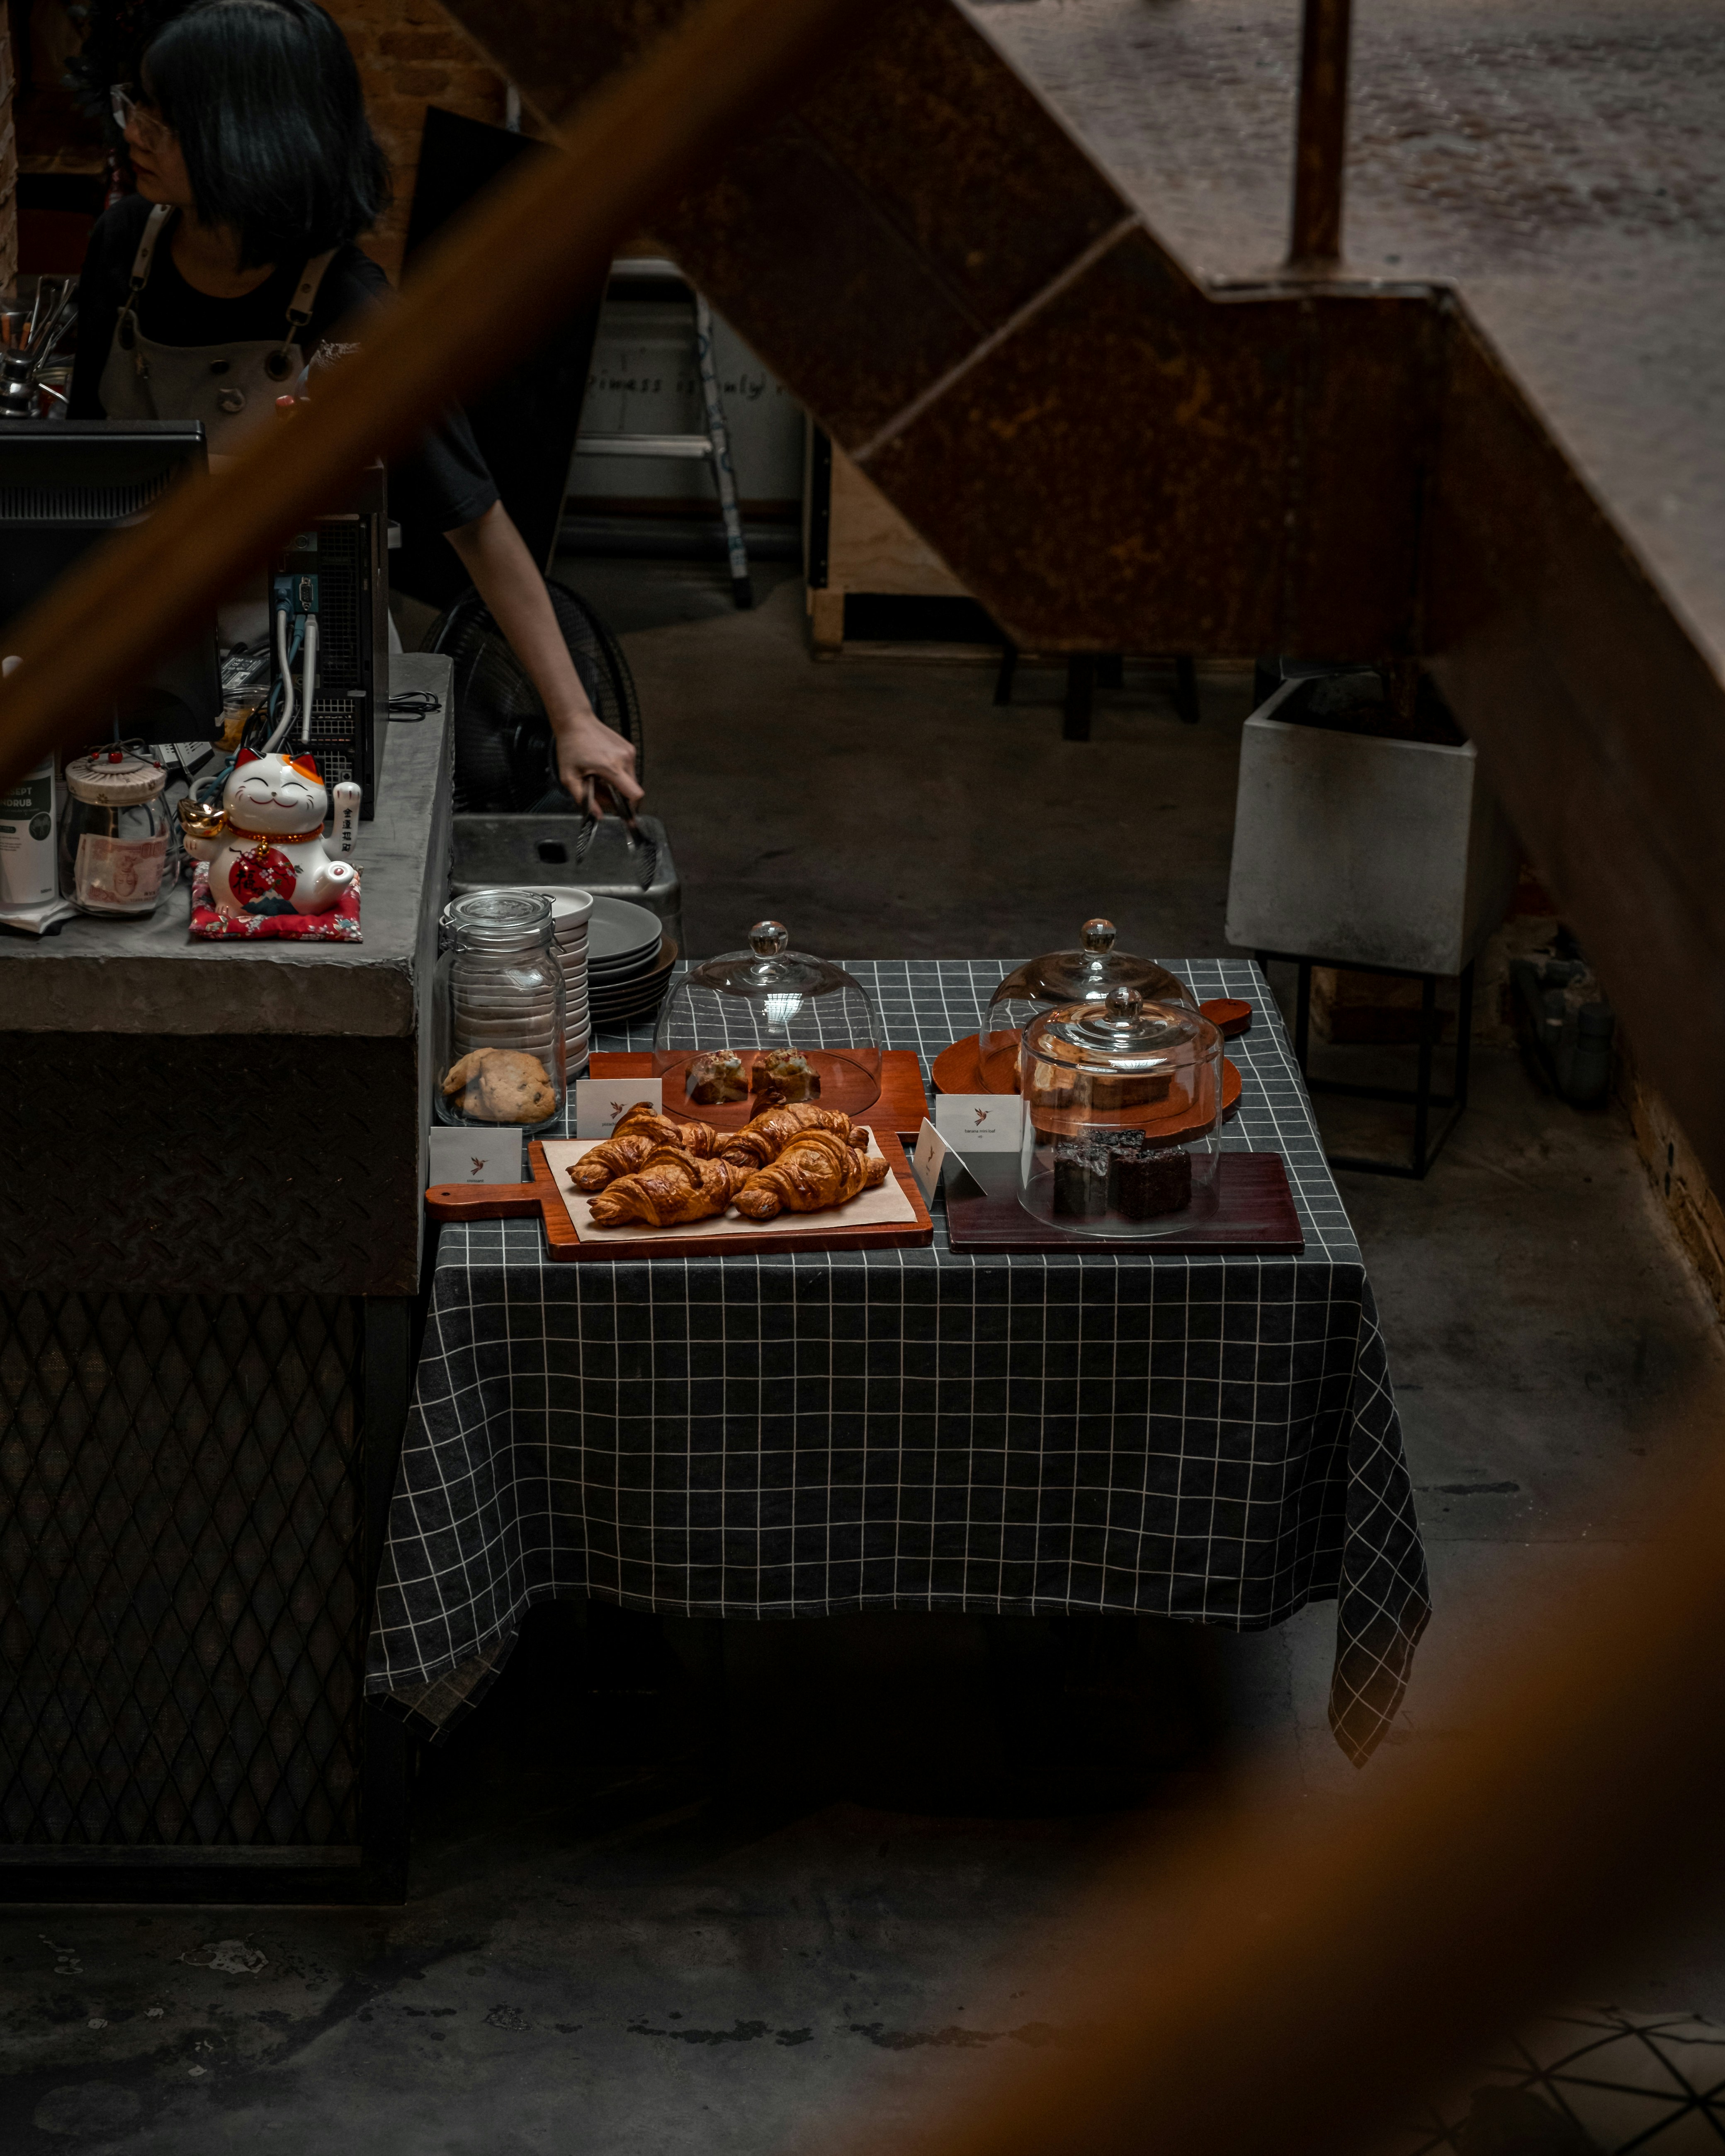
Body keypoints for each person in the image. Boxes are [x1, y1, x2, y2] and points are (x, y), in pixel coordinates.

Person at [68, 0, 641, 813]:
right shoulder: (122, 247)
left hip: (308, 672)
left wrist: (574, 717)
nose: (136, 133)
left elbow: (474, 519)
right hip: (141, 654)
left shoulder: (350, 306)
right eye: (139, 108)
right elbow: (74, 468)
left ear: (252, 135)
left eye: (168, 120)